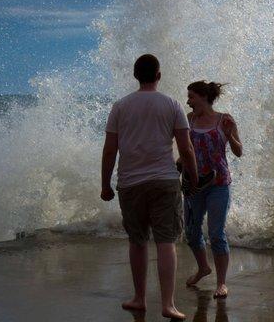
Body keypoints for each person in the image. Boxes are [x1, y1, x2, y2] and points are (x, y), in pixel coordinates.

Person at [100, 54, 198, 320]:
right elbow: (186, 148)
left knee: (138, 242)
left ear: (135, 75)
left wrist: (105, 184)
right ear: (159, 75)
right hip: (164, 181)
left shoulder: (120, 107)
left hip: (130, 183)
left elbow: (110, 151)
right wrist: (194, 175)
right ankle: (168, 304)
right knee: (166, 242)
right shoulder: (172, 105)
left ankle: (139, 298)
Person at [182, 80, 242, 299]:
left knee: (216, 234)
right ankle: (203, 268)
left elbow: (238, 151)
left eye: (191, 97)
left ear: (204, 97)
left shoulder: (224, 120)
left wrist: (231, 135)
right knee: (191, 232)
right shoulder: (189, 120)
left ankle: (222, 283)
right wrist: (178, 163)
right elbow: (186, 149)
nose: (188, 102)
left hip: (219, 184)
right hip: (193, 184)